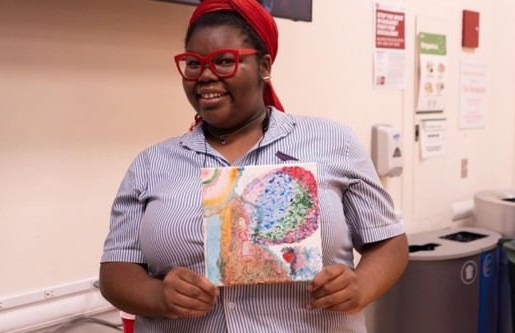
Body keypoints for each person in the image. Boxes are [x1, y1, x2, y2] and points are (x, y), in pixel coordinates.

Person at [99, 0, 408, 332]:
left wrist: (361, 286)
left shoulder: (333, 142)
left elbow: (388, 242)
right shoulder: (151, 165)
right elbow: (116, 271)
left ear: (263, 65)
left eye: (224, 62)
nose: (205, 75)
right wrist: (159, 295)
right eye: (193, 63)